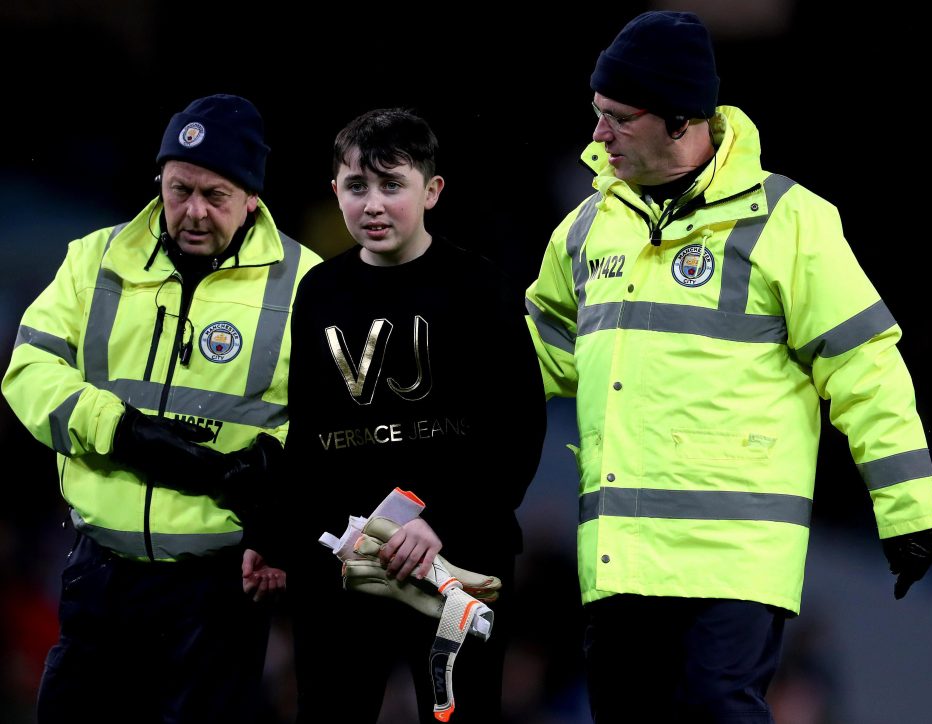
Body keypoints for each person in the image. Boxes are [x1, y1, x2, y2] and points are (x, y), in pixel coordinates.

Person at [523, 11, 932, 723]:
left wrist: (907, 507)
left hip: (732, 556)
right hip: (619, 557)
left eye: (618, 119)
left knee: (716, 710)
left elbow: (863, 364)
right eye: (597, 115)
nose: (597, 136)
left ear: (682, 120)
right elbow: (531, 358)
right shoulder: (585, 228)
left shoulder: (789, 221)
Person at [1, 93, 322, 724]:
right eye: (179, 190)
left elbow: (330, 422)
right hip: (99, 575)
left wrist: (279, 479)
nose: (193, 212)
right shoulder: (95, 259)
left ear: (252, 198)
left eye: (215, 195)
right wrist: (119, 429)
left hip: (219, 588)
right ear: (161, 181)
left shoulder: (304, 284)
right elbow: (27, 371)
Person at [280, 108, 546, 723]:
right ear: (335, 193)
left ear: (432, 191)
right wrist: (295, 541)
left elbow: (517, 431)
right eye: (356, 187)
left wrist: (438, 519)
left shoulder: (481, 288)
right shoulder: (317, 293)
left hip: (459, 561)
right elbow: (308, 436)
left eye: (391, 185)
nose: (373, 204)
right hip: (343, 573)